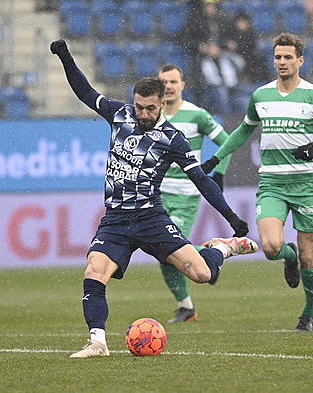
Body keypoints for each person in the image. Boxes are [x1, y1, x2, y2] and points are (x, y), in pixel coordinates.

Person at [50, 39, 258, 358]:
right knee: (94, 272)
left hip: (151, 219)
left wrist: (230, 218)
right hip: (116, 221)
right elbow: (85, 92)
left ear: (162, 103)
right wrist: (66, 57)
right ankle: (97, 342)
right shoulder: (119, 114)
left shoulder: (173, 138)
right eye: (139, 106)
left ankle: (221, 248)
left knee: (202, 274)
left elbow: (201, 179)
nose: (143, 113)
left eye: (150, 108)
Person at [201, 33, 313, 332]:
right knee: (270, 246)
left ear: (300, 60)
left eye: (287, 57)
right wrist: (215, 158)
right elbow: (244, 131)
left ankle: (309, 311)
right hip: (272, 184)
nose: (282, 62)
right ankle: (288, 255)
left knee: (310, 257)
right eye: (278, 57)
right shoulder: (261, 96)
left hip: (306, 186)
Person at [157, 63, 232, 323]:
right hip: (156, 196)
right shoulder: (152, 115)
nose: (168, 86)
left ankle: (216, 252)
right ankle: (186, 307)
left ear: (182, 85)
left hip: (186, 195)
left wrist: (219, 173)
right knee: (163, 254)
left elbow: (227, 142)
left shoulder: (197, 115)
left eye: (173, 82)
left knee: (168, 248)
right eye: (164, 82)